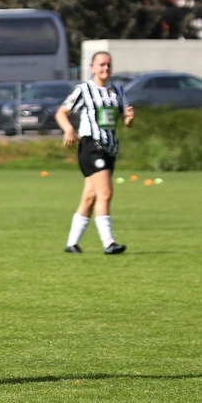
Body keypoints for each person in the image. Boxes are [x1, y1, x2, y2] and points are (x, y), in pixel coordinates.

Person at [54, 51, 135, 254]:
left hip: (110, 148)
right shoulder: (84, 89)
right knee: (105, 193)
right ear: (92, 68)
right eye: (101, 65)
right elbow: (62, 112)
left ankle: (71, 243)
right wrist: (69, 129)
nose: (105, 68)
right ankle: (109, 243)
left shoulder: (118, 91)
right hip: (91, 146)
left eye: (108, 65)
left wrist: (129, 118)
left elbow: (126, 120)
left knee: (90, 196)